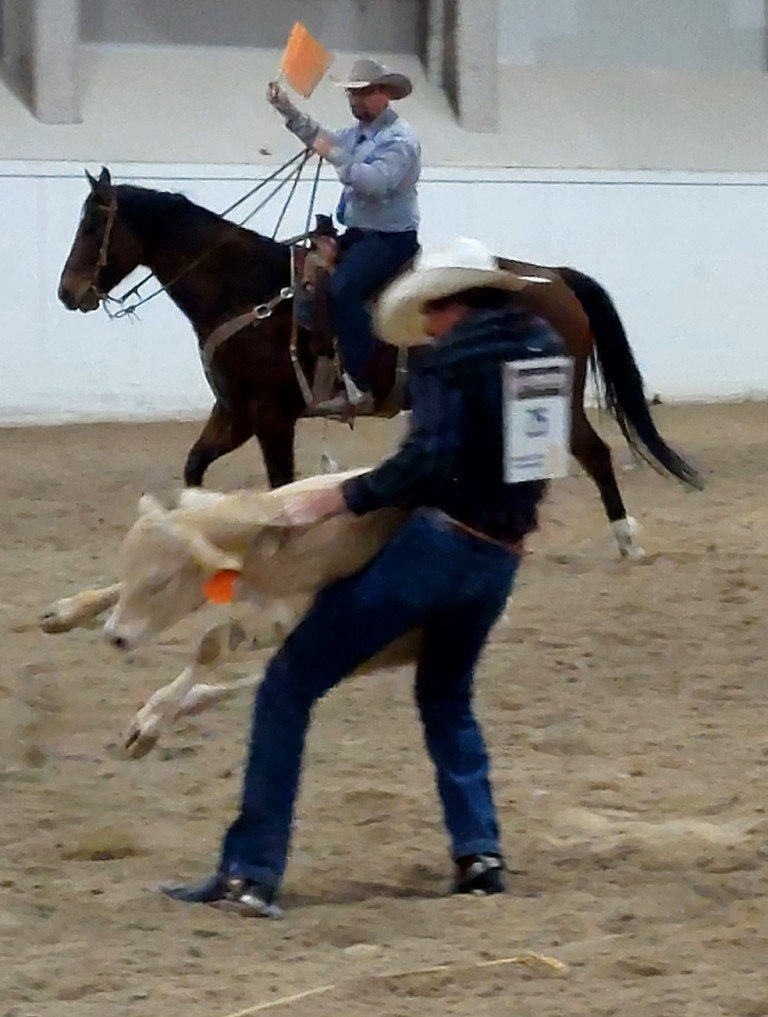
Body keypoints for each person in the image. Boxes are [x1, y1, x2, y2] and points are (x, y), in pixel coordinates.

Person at [162, 238, 564, 918]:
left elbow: (428, 461)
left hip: (437, 548)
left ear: (447, 304)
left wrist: (340, 498)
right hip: (501, 556)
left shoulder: (447, 360)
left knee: (290, 683)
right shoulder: (543, 347)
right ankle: (479, 853)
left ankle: (250, 872)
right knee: (446, 696)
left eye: (430, 315)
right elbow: (539, 457)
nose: (427, 328)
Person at [267, 58, 422, 413]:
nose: (355, 101)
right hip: (360, 234)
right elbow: (320, 136)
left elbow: (376, 184)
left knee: (344, 290)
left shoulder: (400, 140)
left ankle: (360, 383)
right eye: (352, 94)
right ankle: (323, 370)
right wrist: (286, 108)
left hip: (390, 240)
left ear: (384, 94)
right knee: (307, 274)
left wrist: (335, 156)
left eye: (363, 94)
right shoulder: (359, 134)